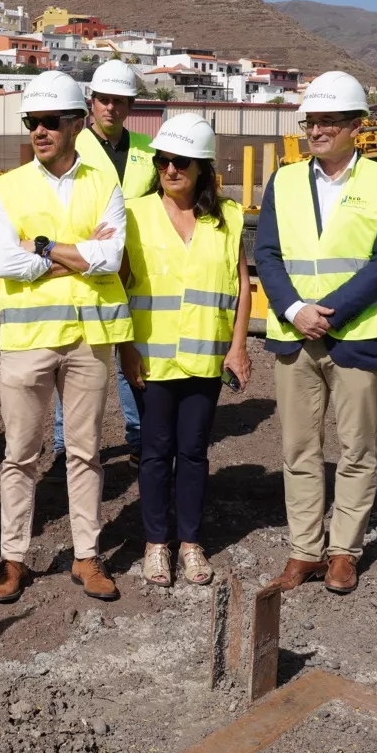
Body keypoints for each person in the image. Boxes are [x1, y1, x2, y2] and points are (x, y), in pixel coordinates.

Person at [256, 72, 377, 598]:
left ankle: (344, 551)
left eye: (327, 121)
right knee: (298, 449)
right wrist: (295, 309)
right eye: (311, 121)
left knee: (356, 449)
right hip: (294, 333)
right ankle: (304, 549)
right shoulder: (284, 181)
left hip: (357, 336)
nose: (316, 130)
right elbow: (268, 254)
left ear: (354, 127)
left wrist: (333, 312)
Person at [0, 70, 132, 604]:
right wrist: (76, 255)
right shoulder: (6, 188)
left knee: (86, 451)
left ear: (77, 123)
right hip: (29, 340)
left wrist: (43, 247)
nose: (40, 131)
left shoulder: (105, 183)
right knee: (20, 453)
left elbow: (110, 258)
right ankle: (13, 559)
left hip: (90, 337)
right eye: (32, 122)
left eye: (50, 121)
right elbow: (6, 262)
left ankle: (87, 557)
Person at [118, 115, 251, 587]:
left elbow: (240, 286)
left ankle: (191, 543)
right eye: (164, 161)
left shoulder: (228, 216)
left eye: (181, 163)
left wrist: (238, 347)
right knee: (155, 452)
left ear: (202, 169)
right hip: (151, 359)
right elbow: (120, 285)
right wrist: (126, 349)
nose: (170, 170)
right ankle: (157, 544)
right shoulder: (133, 212)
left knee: (193, 451)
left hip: (203, 358)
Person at [57, 58, 154, 466]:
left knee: (132, 357)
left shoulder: (150, 153)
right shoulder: (70, 147)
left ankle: (140, 438)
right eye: (104, 100)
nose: (112, 108)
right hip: (87, 266)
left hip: (137, 267)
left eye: (120, 101)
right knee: (77, 358)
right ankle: (67, 445)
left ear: (131, 105)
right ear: (91, 103)